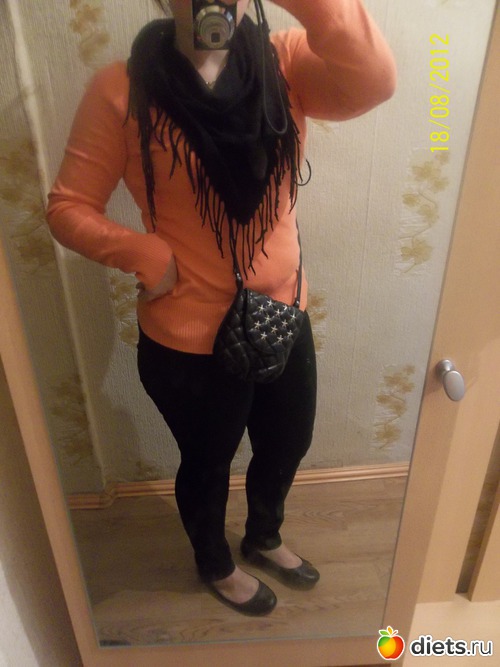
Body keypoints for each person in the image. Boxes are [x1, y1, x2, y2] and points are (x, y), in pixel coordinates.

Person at [47, 0, 396, 615]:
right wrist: (145, 254)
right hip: (188, 334)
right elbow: (67, 207)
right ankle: (214, 563)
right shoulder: (121, 88)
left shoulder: (285, 62)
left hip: (282, 311)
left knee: (288, 442)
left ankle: (264, 536)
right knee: (207, 463)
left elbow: (373, 81)